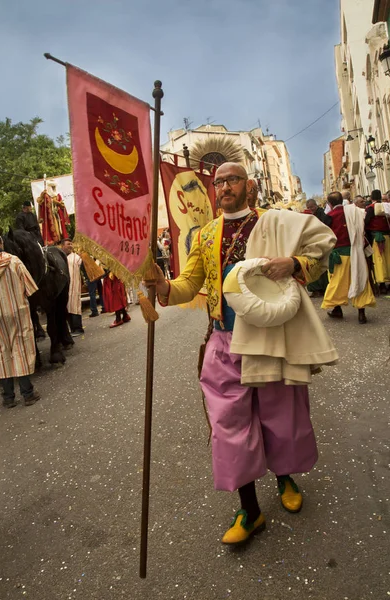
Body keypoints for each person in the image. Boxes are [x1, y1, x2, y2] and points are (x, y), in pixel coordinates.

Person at [147, 162, 337, 546]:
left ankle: (285, 476)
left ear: (249, 186)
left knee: (282, 417)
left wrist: (295, 263)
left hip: (272, 339)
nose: (224, 187)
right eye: (218, 182)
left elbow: (318, 262)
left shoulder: (277, 222)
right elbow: (189, 285)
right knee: (229, 427)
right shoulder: (203, 236)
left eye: (232, 180)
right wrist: (163, 286)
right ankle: (250, 510)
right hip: (223, 340)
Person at [0, 232, 40, 407]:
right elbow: (31, 288)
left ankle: (8, 397)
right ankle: (27, 394)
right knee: (20, 349)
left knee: (1, 353)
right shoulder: (13, 261)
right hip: (16, 313)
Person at [322, 191, 376, 323]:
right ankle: (361, 313)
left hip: (340, 256)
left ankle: (337, 309)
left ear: (330, 203)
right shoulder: (356, 212)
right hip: (357, 253)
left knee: (338, 282)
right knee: (359, 279)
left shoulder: (329, 216)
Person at [365, 189, 390, 293]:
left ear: (371, 197)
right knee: (388, 258)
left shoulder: (370, 208)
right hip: (387, 236)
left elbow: (366, 222)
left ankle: (382, 284)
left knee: (379, 260)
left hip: (376, 237)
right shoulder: (387, 206)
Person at [60, 238, 84, 336]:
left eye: (71, 244)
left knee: (75, 306)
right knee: (67, 308)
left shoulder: (76, 257)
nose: (70, 245)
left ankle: (78, 328)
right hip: (64, 288)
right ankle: (72, 329)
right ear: (62, 246)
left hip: (74, 286)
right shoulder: (60, 257)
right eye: (68, 244)